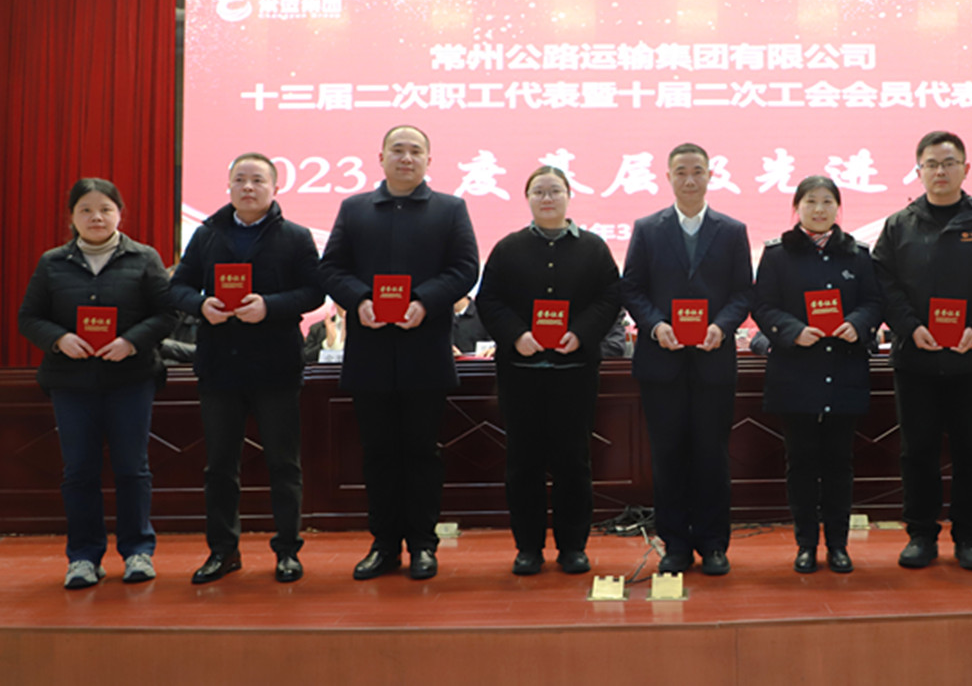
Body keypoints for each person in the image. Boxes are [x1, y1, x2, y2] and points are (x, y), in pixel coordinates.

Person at [319, 125, 480, 580]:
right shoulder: (355, 209)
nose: (406, 158)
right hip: (370, 353)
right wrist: (359, 301)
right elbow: (330, 269)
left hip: (424, 351)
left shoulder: (450, 209)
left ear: (429, 160)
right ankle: (384, 544)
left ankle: (424, 545)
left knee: (422, 452)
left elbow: (465, 268)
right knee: (377, 453)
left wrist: (425, 301)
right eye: (398, 150)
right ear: (381, 157)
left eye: (415, 151)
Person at [169, 152, 324, 584]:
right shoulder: (207, 234)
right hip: (220, 366)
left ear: (275, 187)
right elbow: (177, 287)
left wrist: (269, 306)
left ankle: (287, 551)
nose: (248, 187)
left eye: (258, 180)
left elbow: (315, 292)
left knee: (283, 464)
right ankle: (223, 551)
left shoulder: (295, 237)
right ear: (229, 186)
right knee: (220, 466)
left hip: (276, 366)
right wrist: (201, 305)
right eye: (240, 179)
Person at [872, 131, 972, 571]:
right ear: (918, 171)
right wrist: (910, 327)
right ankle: (921, 534)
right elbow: (883, 283)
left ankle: (969, 536)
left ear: (966, 169)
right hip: (916, 357)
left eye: (949, 163)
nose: (941, 171)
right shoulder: (899, 225)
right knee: (917, 451)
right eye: (932, 164)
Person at [18, 178, 175, 589]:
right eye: (85, 209)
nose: (96, 217)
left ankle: (138, 551)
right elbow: (29, 318)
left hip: (131, 379)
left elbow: (167, 314)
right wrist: (59, 339)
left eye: (105, 209)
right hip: (71, 383)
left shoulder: (144, 258)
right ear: (72, 216)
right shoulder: (52, 263)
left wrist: (131, 341)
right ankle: (84, 557)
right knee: (79, 470)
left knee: (132, 468)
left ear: (119, 213)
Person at [476, 166, 622, 576]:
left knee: (573, 462)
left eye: (554, 191)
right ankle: (528, 547)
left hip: (574, 373)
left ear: (568, 196)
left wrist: (582, 333)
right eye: (538, 191)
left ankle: (573, 546)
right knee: (523, 463)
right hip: (521, 374)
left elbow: (610, 297)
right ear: (527, 199)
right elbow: (489, 300)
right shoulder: (508, 248)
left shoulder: (593, 248)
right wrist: (516, 335)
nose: (547, 198)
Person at [621, 142, 753, 575]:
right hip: (662, 362)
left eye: (697, 171)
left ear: (711, 175)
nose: (690, 179)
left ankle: (713, 544)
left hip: (713, 362)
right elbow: (632, 288)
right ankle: (675, 544)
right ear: (668, 177)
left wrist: (723, 326)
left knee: (712, 455)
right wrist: (656, 325)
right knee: (668, 456)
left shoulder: (731, 230)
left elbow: (743, 293)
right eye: (681, 172)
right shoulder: (647, 229)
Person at [753, 176, 882, 574]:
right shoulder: (777, 255)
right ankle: (806, 544)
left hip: (843, 370)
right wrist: (793, 330)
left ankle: (838, 545)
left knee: (840, 463)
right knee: (802, 463)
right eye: (811, 201)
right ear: (798, 207)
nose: (820, 209)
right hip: (796, 372)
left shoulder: (858, 254)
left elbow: (875, 301)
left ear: (837, 208)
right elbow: (762, 306)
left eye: (828, 201)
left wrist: (857, 323)